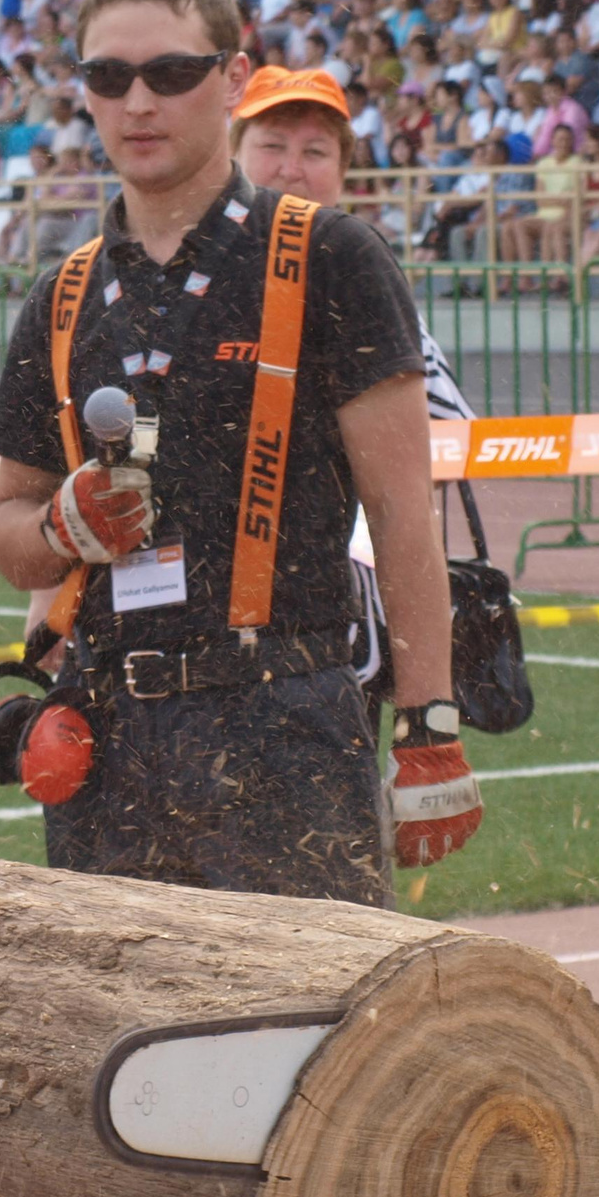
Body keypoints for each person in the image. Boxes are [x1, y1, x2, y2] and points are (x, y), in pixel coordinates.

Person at [0, 0, 481, 930]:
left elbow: (401, 512)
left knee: (310, 1043)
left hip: (283, 722)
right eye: (106, 77)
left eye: (169, 73)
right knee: (115, 1048)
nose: (137, 102)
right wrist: (63, 527)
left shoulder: (332, 259)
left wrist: (429, 725)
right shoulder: (64, 294)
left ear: (229, 81)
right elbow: (4, 530)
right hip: (108, 734)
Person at [227, 62, 479, 717]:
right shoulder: (184, 277)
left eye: (315, 151)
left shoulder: (363, 284)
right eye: (272, 147)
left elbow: (446, 429)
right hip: (187, 635)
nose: (291, 168)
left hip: (334, 640)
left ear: (342, 169)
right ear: (233, 154)